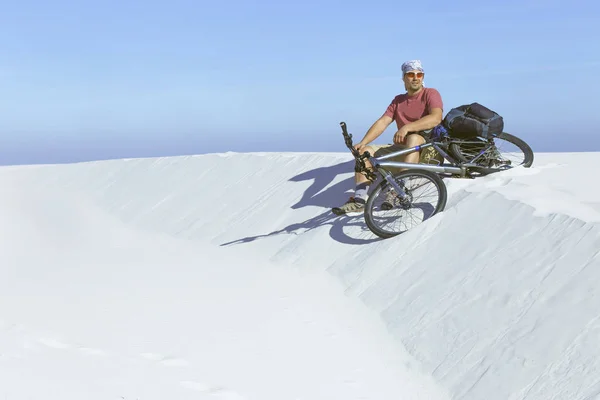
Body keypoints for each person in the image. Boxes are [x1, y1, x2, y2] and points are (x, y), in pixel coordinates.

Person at [332, 59, 444, 215]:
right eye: (411, 74)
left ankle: (400, 190)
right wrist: (363, 143)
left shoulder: (430, 93)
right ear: (404, 78)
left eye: (419, 74)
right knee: (365, 153)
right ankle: (359, 200)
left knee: (413, 138)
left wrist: (407, 128)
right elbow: (383, 122)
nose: (416, 78)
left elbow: (436, 117)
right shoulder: (398, 100)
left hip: (428, 150)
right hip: (403, 150)